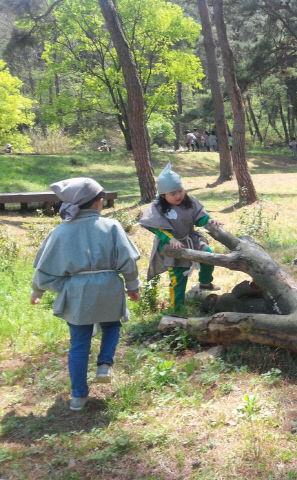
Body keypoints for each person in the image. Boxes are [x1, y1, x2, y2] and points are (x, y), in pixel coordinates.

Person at [30, 177, 141, 411]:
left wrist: (37, 290)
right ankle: (104, 365)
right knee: (112, 325)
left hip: (77, 292)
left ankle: (78, 398)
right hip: (109, 286)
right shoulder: (112, 227)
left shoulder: (61, 232)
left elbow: (45, 268)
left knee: (79, 343)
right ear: (99, 202)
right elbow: (127, 261)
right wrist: (133, 286)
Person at [139, 163, 221, 315]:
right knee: (178, 279)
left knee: (209, 256)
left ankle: (204, 282)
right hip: (172, 247)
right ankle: (176, 311)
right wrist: (170, 239)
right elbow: (156, 227)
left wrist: (209, 221)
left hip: (192, 239)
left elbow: (200, 217)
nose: (178, 196)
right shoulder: (157, 207)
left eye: (180, 191)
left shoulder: (189, 201)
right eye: (173, 194)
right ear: (163, 195)